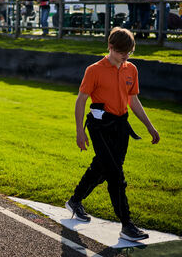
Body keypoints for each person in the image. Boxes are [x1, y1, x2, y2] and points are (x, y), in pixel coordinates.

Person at [67, 27, 160, 241]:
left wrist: (149, 126)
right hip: (99, 127)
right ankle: (127, 225)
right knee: (116, 175)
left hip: (121, 127)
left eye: (129, 52)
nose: (125, 56)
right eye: (121, 52)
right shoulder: (94, 70)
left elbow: (133, 100)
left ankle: (75, 200)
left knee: (102, 168)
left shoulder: (131, 70)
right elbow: (81, 100)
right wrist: (80, 131)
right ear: (110, 47)